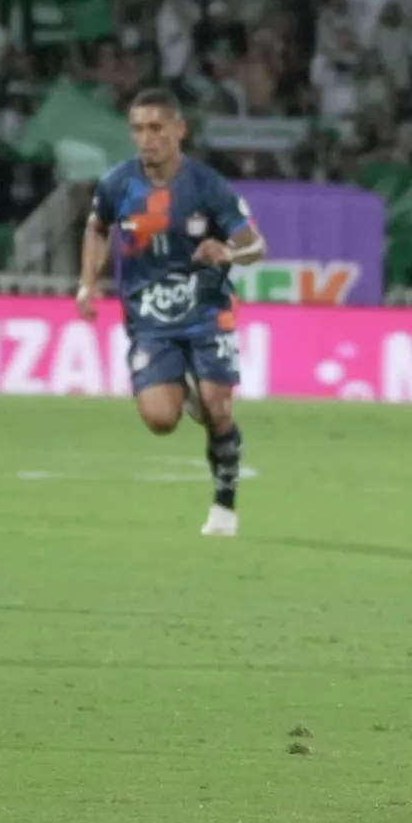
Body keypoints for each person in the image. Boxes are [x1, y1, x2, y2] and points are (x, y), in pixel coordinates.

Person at [77, 89, 268, 536]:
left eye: (157, 128)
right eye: (139, 129)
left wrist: (228, 253)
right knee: (161, 420)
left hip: (207, 312)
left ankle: (224, 505)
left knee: (218, 408)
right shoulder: (118, 184)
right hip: (149, 319)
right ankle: (187, 386)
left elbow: (257, 246)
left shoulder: (206, 186)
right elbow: (96, 228)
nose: (147, 138)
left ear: (179, 130)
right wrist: (88, 282)